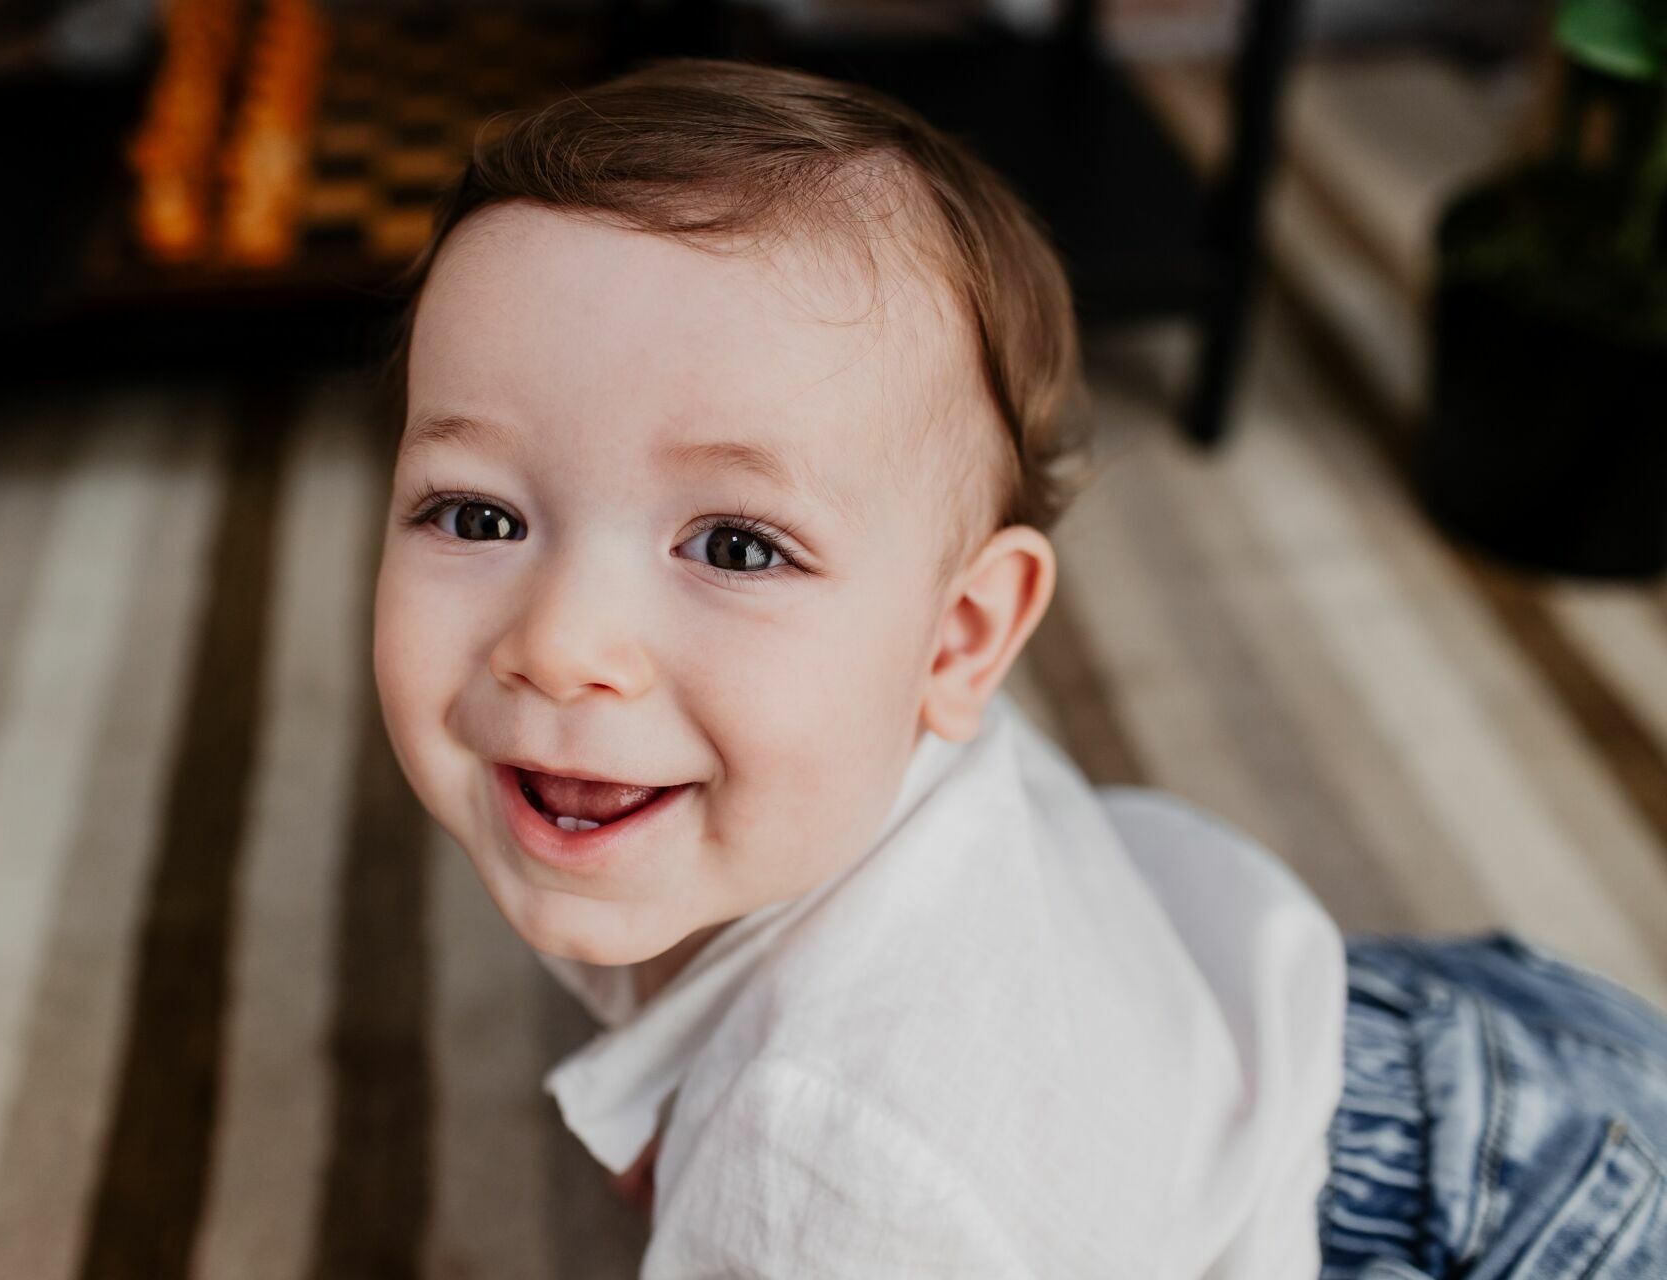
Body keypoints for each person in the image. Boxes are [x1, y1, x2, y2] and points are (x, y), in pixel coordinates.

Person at [369, 57, 1667, 1277]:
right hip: (1466, 1038)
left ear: (962, 637)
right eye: (479, 515)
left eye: (734, 545)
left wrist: (778, 1163)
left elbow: (852, 1163)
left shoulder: (835, 1172)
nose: (560, 643)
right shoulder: (843, 734)